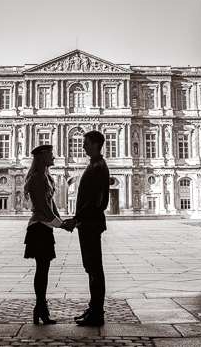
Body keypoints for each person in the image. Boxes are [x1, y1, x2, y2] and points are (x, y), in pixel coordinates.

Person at [61, 130, 110, 326]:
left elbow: (95, 201)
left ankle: (97, 312)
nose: (82, 147)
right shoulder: (95, 165)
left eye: (86, 143)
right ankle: (93, 308)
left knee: (95, 269)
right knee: (91, 268)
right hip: (88, 223)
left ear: (96, 145)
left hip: (90, 223)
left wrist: (76, 218)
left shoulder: (98, 167)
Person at [23, 144, 67, 324]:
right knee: (42, 270)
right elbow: (43, 206)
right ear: (42, 157)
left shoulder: (46, 177)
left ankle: (40, 307)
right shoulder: (37, 178)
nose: (54, 157)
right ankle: (40, 307)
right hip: (39, 227)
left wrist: (61, 220)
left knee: (43, 270)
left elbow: (52, 204)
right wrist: (61, 224)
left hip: (44, 227)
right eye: (51, 155)